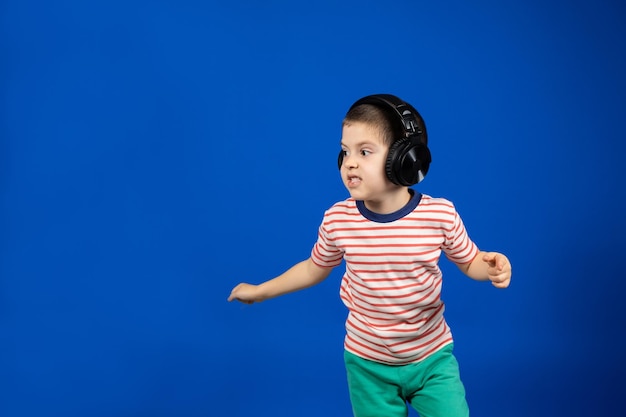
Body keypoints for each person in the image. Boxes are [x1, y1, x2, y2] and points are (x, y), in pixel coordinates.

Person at [228, 94, 512, 417]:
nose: (349, 162)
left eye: (364, 152)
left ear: (406, 160)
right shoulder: (338, 220)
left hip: (432, 357)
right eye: (345, 151)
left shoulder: (440, 216)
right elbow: (312, 269)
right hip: (367, 365)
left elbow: (469, 261)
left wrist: (488, 266)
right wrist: (260, 291)